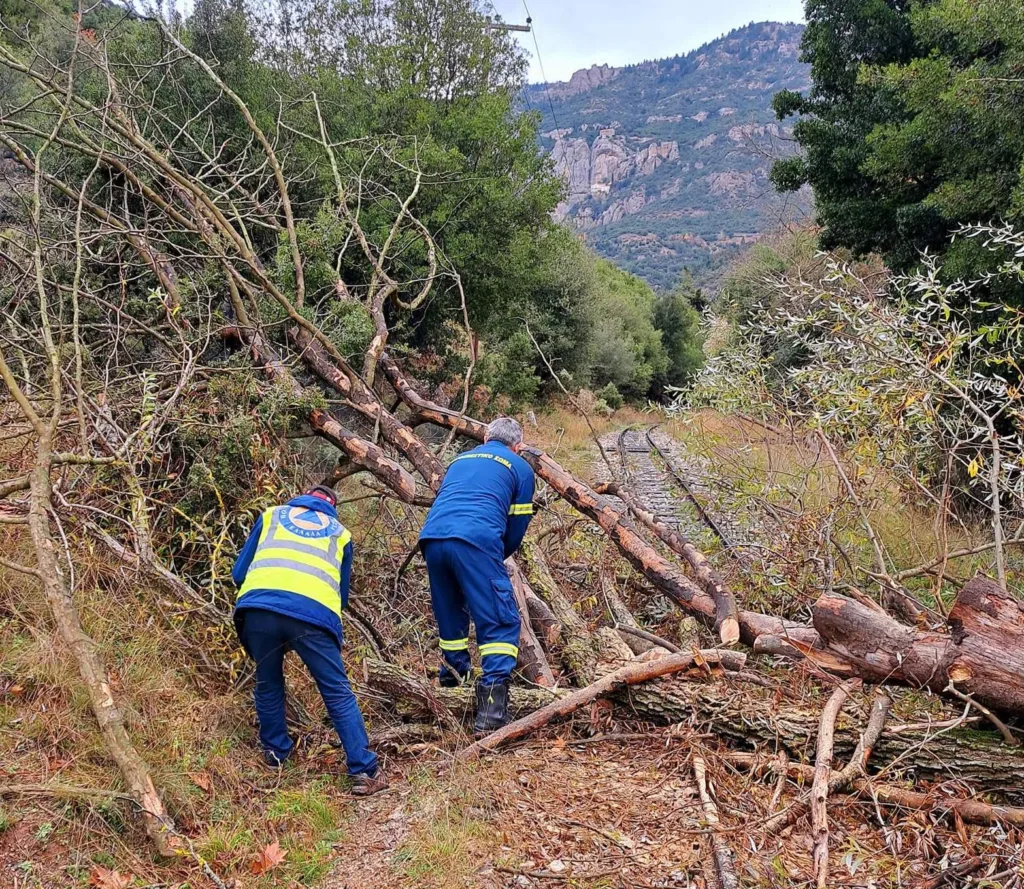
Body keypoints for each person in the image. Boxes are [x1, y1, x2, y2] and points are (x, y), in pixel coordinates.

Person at [232, 484, 386, 795]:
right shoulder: (341, 534)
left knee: (268, 682)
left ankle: (276, 756)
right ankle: (363, 770)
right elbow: (340, 598)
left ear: (302, 497)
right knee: (337, 692)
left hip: (259, 608)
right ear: (332, 507)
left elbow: (239, 573)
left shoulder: (271, 515)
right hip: (314, 615)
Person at [418, 417, 536, 735]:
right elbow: (516, 529)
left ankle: (454, 686)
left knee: (451, 617)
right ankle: (491, 715)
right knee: (499, 620)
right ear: (518, 446)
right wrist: (494, 557)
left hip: (432, 539)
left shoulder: (460, 459)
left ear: (485, 439)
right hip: (477, 539)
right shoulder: (521, 467)